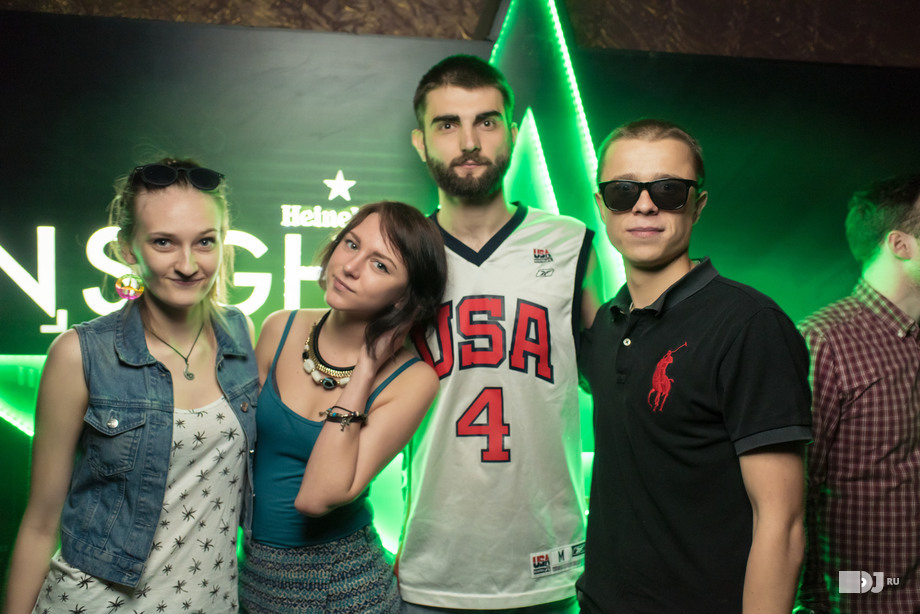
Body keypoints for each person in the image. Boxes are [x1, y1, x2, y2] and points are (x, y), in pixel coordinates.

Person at [578, 118, 813, 613]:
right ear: (602, 206)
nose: (644, 205)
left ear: (698, 205)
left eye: (668, 190)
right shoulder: (607, 325)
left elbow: (783, 523)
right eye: (623, 191)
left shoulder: (750, 325)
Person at [4, 159, 259, 613]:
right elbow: (40, 524)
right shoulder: (80, 353)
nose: (188, 264)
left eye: (205, 241)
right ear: (127, 248)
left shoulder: (241, 335)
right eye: (163, 242)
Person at [396, 54, 599, 613]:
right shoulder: (400, 255)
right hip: (434, 564)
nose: (469, 142)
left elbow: (606, 382)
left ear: (511, 131)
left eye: (485, 122)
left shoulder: (571, 244)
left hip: (550, 561)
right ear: (420, 142)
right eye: (447, 124)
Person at [239, 201, 447, 613]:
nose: (350, 267)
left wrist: (366, 368)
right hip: (253, 578)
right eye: (351, 244)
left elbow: (317, 499)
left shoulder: (413, 380)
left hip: (345, 588)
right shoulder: (279, 327)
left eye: (380, 265)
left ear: (404, 298)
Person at [797, 174, 920, 614]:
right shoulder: (821, 342)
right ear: (900, 244)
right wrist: (814, 601)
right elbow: (791, 496)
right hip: (865, 600)